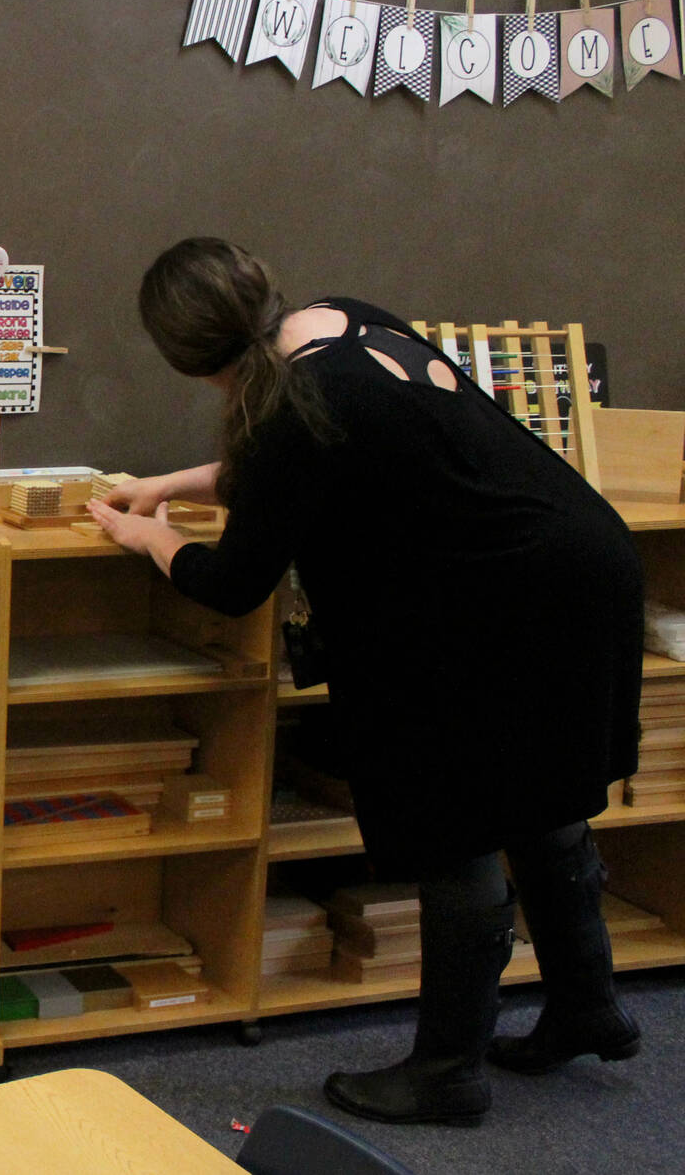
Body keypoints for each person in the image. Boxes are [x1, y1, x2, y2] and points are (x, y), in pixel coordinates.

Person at [86, 237, 644, 1128]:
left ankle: (448, 1069)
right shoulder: (337, 327)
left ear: (191, 361)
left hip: (498, 603)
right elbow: (308, 464)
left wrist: (148, 536)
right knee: (541, 803)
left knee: (457, 825)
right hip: (579, 563)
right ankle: (588, 1005)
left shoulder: (289, 410)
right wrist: (174, 482)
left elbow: (235, 583)